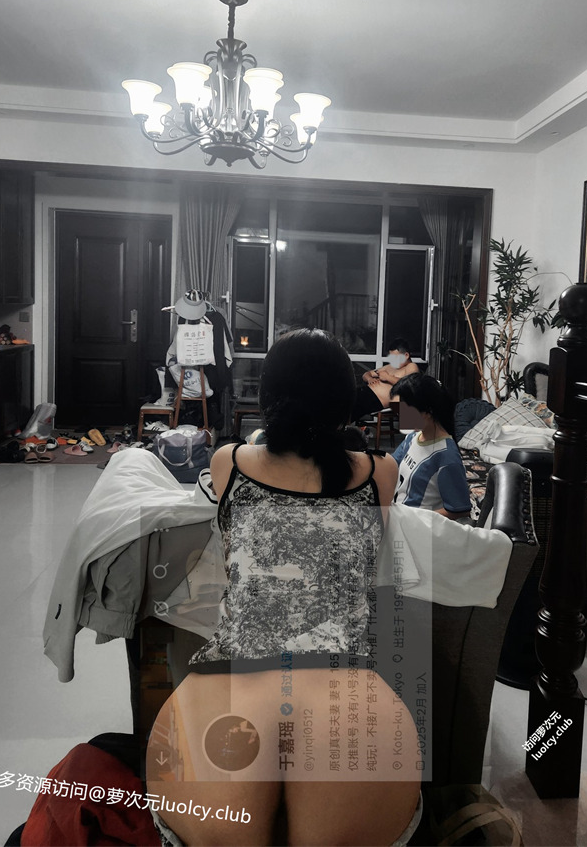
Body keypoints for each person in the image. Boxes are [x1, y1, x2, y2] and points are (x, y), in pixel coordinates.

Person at [146, 329, 421, 847]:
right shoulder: (380, 474)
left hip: (226, 693)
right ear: (346, 404)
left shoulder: (228, 462)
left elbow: (266, 452)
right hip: (347, 700)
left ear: (267, 397)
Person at [389, 373, 472, 521]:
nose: (401, 417)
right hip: (399, 518)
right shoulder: (412, 438)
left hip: (416, 527)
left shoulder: (446, 456)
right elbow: (390, 465)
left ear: (428, 411)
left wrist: (415, 519)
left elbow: (459, 509)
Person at [352, 337, 420, 422]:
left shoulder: (411, 366)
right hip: (364, 391)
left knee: (347, 406)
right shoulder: (390, 367)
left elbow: (409, 385)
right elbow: (366, 374)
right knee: (343, 398)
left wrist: (387, 377)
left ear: (406, 355)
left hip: (375, 399)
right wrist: (369, 379)